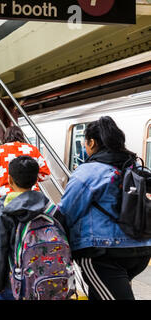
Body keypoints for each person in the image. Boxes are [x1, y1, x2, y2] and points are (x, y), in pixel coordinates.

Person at [58, 116, 151, 300]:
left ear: (92, 142)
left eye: (85, 143)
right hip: (140, 249)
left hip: (102, 255)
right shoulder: (133, 165)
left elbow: (66, 212)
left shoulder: (88, 171)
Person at [0, 156, 45, 300]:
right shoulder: (48, 206)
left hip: (13, 278)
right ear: (36, 179)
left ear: (10, 180)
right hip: (42, 275)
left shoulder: (7, 208)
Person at [0, 126, 51, 204]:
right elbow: (45, 175)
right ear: (21, 136)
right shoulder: (33, 150)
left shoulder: (0, 150)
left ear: (6, 136)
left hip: (7, 197)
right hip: (31, 196)